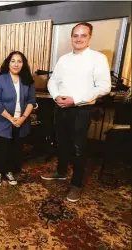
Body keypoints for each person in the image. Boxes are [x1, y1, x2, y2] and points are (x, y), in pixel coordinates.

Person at [41, 22, 111, 202]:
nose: (79, 39)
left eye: (83, 35)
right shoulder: (63, 59)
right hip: (60, 108)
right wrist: (56, 96)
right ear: (71, 37)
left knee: (78, 148)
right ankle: (61, 172)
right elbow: (52, 81)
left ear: (89, 37)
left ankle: (77, 184)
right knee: (61, 142)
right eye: (75, 35)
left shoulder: (98, 58)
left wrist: (76, 99)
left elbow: (104, 87)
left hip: (80, 110)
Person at [0, 51, 36, 187]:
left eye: (19, 61)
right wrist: (11, 118)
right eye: (13, 61)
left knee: (15, 149)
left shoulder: (28, 80)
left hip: (22, 121)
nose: (16, 64)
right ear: (8, 63)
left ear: (23, 64)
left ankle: (9, 171)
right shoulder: (0, 80)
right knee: (1, 149)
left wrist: (22, 118)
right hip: (2, 121)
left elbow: (31, 101)